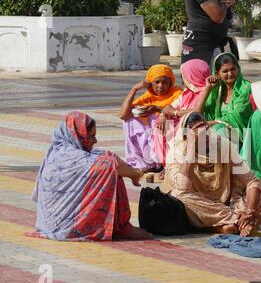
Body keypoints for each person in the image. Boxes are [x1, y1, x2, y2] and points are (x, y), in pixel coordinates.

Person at [27, 111, 152, 241]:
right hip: (66, 226)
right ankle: (122, 228)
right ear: (78, 136)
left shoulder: (56, 152)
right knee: (109, 168)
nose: (95, 141)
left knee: (107, 161)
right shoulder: (71, 157)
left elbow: (107, 156)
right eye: (91, 137)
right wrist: (134, 174)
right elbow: (110, 164)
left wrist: (131, 171)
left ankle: (121, 226)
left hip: (49, 225)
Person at [163, 112, 261, 236]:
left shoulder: (221, 145)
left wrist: (250, 210)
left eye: (206, 128)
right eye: (198, 130)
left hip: (224, 204)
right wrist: (191, 148)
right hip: (200, 206)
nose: (205, 134)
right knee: (178, 196)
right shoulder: (177, 153)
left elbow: (251, 181)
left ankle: (231, 223)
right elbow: (182, 187)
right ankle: (235, 222)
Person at [201, 52, 261, 185]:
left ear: (238, 69)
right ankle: (222, 176)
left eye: (233, 69)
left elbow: (237, 116)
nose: (230, 74)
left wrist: (213, 122)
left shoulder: (246, 88)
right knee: (210, 131)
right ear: (217, 74)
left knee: (218, 129)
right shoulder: (216, 92)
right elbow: (198, 113)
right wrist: (207, 90)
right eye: (225, 71)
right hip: (229, 138)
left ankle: (236, 175)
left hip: (248, 137)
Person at [119, 64, 183, 171]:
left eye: (165, 82)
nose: (161, 86)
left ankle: (161, 161)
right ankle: (145, 162)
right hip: (151, 136)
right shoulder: (148, 96)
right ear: (150, 83)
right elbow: (123, 115)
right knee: (129, 121)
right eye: (157, 82)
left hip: (169, 133)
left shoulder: (177, 93)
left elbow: (179, 112)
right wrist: (134, 89)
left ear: (171, 82)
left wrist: (157, 109)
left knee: (157, 120)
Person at [152, 58, 212, 165]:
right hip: (182, 126)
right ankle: (167, 165)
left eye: (184, 76)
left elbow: (196, 112)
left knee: (184, 123)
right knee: (158, 124)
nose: (183, 80)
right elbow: (170, 106)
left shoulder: (207, 92)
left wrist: (174, 113)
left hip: (198, 127)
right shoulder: (188, 92)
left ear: (192, 76)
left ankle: (179, 163)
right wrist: (163, 115)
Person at [182, 0, 237, 65]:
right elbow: (218, 16)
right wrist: (227, 2)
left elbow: (228, 16)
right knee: (205, 74)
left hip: (213, 43)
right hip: (201, 44)